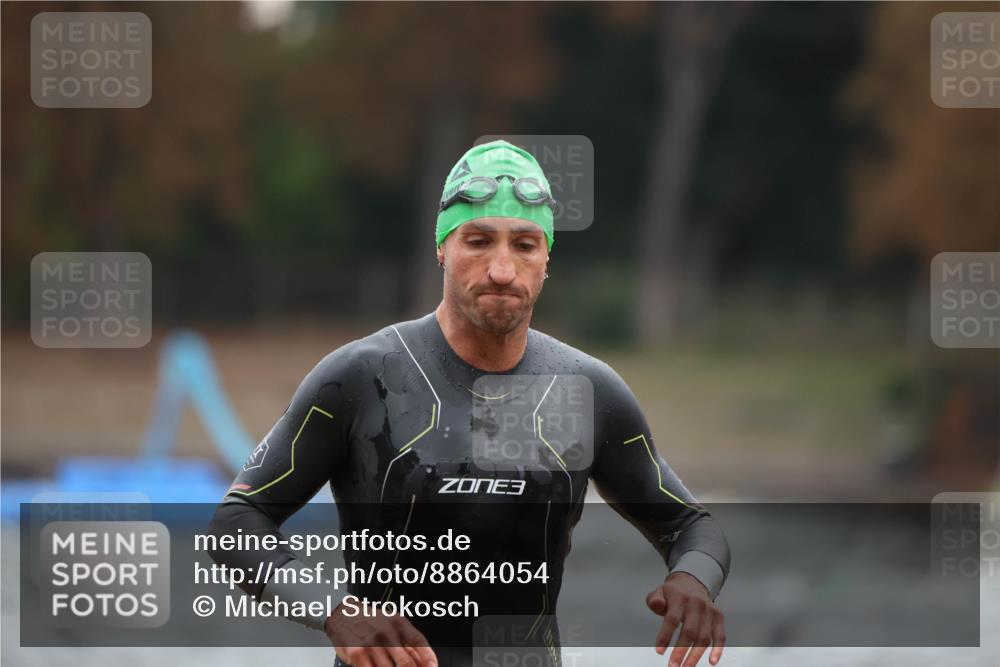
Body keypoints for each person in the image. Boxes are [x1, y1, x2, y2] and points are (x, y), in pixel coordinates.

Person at [209, 140, 731, 667]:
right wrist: (334, 609)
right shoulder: (361, 377)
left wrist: (692, 579)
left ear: (547, 257)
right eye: (478, 241)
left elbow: (693, 527)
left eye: (524, 245)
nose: (502, 270)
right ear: (442, 247)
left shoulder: (586, 389)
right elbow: (237, 521)